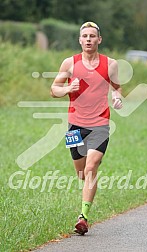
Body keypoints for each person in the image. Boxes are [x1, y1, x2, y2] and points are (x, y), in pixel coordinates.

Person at [50, 21, 122, 235]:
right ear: (80, 40)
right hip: (74, 125)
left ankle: (83, 217)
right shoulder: (69, 63)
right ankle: (87, 190)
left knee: (92, 167)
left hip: (100, 124)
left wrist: (117, 98)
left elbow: (117, 88)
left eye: (93, 36)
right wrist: (66, 89)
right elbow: (53, 89)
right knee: (82, 173)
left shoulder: (110, 64)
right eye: (85, 36)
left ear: (99, 40)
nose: (89, 39)